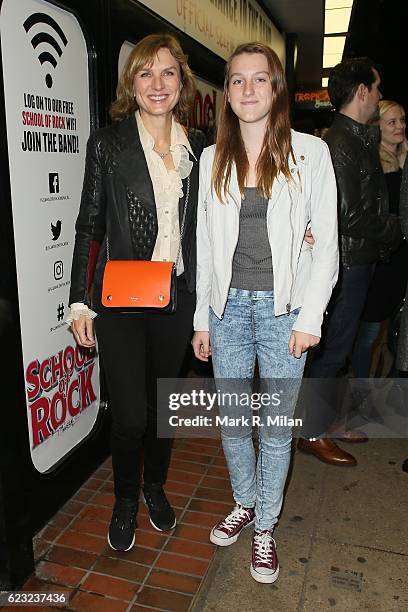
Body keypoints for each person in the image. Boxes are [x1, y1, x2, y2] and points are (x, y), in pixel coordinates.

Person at [192, 42, 338, 584]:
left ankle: (265, 527)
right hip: (228, 310)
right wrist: (202, 319)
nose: (248, 90)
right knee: (233, 423)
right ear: (226, 91)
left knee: (274, 428)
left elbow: (325, 247)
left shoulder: (310, 154)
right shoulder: (212, 157)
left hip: (285, 312)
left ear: (277, 89)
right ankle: (245, 500)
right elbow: (206, 246)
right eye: (237, 80)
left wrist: (310, 319)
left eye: (260, 80)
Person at [68, 33, 205, 552]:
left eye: (167, 72)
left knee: (163, 408)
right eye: (146, 73)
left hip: (178, 297)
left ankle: (154, 486)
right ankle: (125, 497)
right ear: (132, 82)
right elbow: (89, 226)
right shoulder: (108, 144)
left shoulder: (201, 146)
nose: (157, 83)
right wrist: (81, 300)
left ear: (181, 82)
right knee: (129, 414)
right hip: (123, 299)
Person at [297, 58, 402, 467]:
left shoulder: (356, 137)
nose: (378, 95)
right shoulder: (341, 143)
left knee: (338, 349)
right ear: (361, 91)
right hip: (346, 262)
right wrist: (395, 229)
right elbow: (348, 215)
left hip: (357, 259)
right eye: (375, 88)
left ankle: (328, 422)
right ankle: (312, 432)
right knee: (332, 349)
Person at [352, 100, 408, 378]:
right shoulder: (372, 164)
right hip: (381, 259)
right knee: (369, 333)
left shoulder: (406, 159)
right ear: (378, 127)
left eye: (402, 121)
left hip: (402, 258)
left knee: (399, 332)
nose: (400, 127)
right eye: (392, 122)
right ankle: (358, 394)